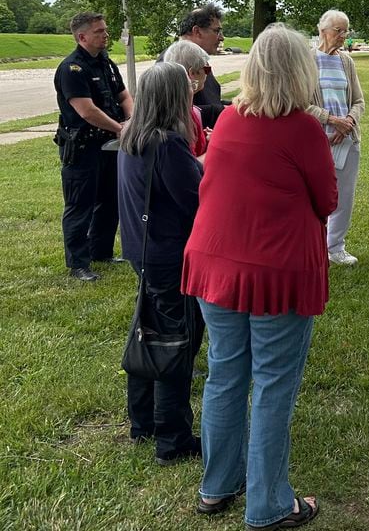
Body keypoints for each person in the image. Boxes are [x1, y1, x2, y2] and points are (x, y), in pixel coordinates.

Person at [181, 24, 336, 529]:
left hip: (216, 264)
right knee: (272, 384)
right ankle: (268, 504)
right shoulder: (302, 128)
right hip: (275, 273)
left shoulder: (227, 119)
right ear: (300, 71)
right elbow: (327, 200)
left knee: (225, 375)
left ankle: (217, 485)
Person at [117, 62, 205, 465]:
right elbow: (196, 198)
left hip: (142, 250)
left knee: (147, 333)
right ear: (175, 97)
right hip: (171, 256)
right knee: (175, 343)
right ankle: (173, 437)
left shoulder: (131, 136)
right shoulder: (168, 143)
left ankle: (143, 421)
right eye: (186, 90)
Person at [53, 11, 133, 282]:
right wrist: (121, 128)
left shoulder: (106, 63)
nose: (105, 35)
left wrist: (132, 119)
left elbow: (123, 95)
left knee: (110, 200)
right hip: (83, 146)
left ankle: (102, 252)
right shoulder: (72, 68)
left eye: (105, 30)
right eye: (99, 31)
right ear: (82, 36)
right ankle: (78, 264)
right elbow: (86, 110)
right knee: (80, 205)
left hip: (109, 145)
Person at [310, 9, 365, 266]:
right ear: (323, 31)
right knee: (313, 195)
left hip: (346, 139)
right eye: (338, 31)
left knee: (344, 194)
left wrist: (348, 122)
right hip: (317, 139)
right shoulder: (308, 60)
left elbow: (358, 100)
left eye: (346, 31)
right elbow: (301, 103)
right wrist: (330, 120)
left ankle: (335, 247)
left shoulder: (346, 62)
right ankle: (313, 245)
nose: (343, 36)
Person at [176, 4, 227, 128]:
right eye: (216, 31)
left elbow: (211, 98)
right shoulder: (173, 62)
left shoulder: (202, 61)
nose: (221, 37)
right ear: (197, 31)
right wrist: (224, 111)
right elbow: (175, 111)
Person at [161, 40, 211, 159]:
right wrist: (217, 145)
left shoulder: (171, 106)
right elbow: (191, 164)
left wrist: (204, 136)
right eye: (207, 69)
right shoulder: (180, 117)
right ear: (192, 73)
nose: (208, 74)